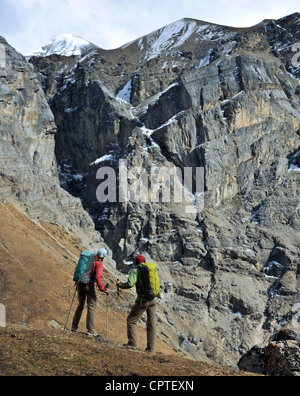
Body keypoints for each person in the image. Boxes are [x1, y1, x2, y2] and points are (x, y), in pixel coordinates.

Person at [116, 255, 158, 352]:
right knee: (151, 323)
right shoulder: (150, 269)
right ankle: (150, 347)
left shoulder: (136, 271)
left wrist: (120, 284)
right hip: (154, 299)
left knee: (131, 320)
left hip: (143, 300)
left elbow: (130, 284)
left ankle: (132, 343)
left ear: (135, 262)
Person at [72, 248, 109, 337]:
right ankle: (90, 330)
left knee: (80, 305)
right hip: (90, 286)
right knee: (91, 306)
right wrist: (103, 289)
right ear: (103, 257)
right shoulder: (99, 263)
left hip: (80, 284)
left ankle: (74, 327)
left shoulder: (90, 258)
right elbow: (98, 277)